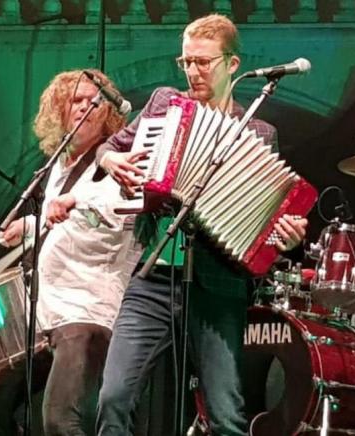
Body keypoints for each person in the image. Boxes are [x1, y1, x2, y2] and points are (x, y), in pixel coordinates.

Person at [96, 14, 308, 436]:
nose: (192, 72)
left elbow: (267, 219)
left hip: (218, 286)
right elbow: (110, 147)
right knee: (113, 397)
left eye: (203, 62)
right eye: (186, 62)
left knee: (226, 414)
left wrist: (285, 238)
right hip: (155, 275)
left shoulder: (260, 132)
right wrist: (111, 160)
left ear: (232, 64)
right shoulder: (164, 104)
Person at [0, 70, 141, 435]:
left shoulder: (116, 158)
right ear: (59, 110)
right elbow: (62, 222)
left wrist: (75, 202)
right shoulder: (60, 163)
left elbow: (116, 211)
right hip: (45, 315)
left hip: (85, 312)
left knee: (61, 422)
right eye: (76, 100)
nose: (85, 108)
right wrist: (29, 226)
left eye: (95, 102)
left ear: (108, 112)